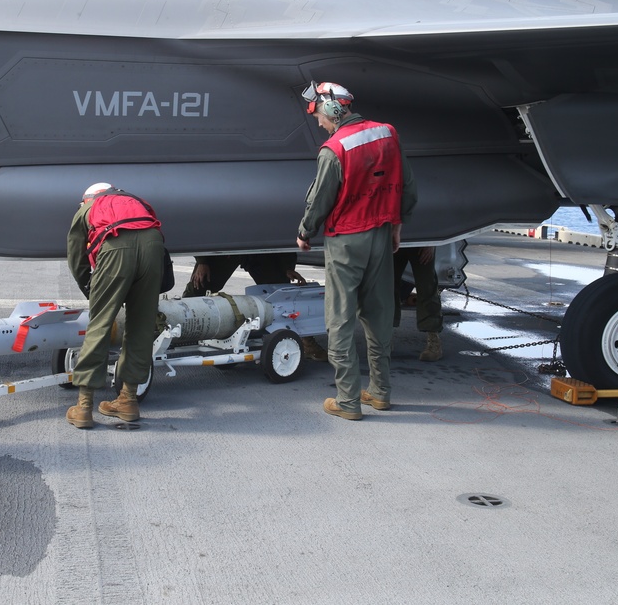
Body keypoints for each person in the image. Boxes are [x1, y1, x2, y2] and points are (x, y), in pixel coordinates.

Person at [296, 81, 417, 420]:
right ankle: (380, 392)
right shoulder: (387, 134)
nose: (319, 122)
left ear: (334, 110)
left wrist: (305, 231)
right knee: (378, 314)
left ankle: (347, 400)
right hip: (381, 234)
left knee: (340, 318)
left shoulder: (333, 149)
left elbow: (321, 199)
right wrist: (397, 224)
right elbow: (407, 185)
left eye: (319, 115)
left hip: (347, 240)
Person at [65, 182, 166, 429]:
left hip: (116, 247)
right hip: (154, 249)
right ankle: (128, 400)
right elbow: (152, 228)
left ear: (87, 198)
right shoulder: (135, 200)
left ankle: (84, 407)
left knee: (100, 324)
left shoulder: (89, 206)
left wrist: (89, 287)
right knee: (141, 325)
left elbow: (76, 255)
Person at [182, 253, 329, 361]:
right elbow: (207, 225)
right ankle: (180, 326)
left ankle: (304, 340)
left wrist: (287, 268)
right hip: (228, 243)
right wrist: (203, 260)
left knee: (280, 293)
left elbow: (282, 229)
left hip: (259, 248)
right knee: (200, 285)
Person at [393, 246, 443, 361]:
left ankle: (433, 338)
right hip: (395, 239)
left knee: (427, 286)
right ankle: (384, 336)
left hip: (421, 240)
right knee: (388, 288)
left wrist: (431, 243)